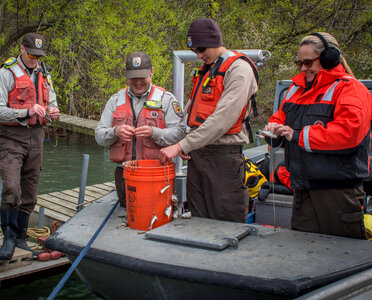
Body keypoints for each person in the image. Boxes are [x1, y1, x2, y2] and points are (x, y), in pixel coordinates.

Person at [263, 32, 372, 239]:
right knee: (301, 252)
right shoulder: (296, 89)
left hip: (337, 194)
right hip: (302, 190)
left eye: (308, 62)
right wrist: (274, 132)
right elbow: (280, 118)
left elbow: (348, 134)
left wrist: (296, 135)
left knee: (340, 257)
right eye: (300, 63)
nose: (303, 68)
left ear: (329, 59)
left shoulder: (350, 89)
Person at [159, 18, 259, 222]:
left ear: (215, 41)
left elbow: (222, 119)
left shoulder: (238, 70)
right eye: (195, 50)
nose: (198, 55)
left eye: (201, 48)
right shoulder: (207, 70)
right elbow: (190, 115)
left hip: (224, 159)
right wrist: (185, 143)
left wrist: (181, 146)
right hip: (198, 157)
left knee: (226, 220)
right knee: (198, 219)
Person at [0, 32, 60, 260]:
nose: (34, 60)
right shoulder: (5, 74)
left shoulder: (45, 75)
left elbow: (53, 103)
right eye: (31, 55)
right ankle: (8, 238)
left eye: (38, 56)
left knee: (30, 191)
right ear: (21, 49)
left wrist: (52, 112)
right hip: (10, 136)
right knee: (11, 188)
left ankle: (20, 236)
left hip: (36, 137)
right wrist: (26, 112)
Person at [95, 51, 185, 207]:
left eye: (142, 77)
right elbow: (99, 136)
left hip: (157, 174)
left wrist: (154, 133)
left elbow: (180, 134)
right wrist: (115, 132)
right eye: (133, 77)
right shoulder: (115, 100)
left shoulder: (166, 99)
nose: (138, 82)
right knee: (127, 215)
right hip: (123, 174)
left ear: (152, 72)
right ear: (126, 75)